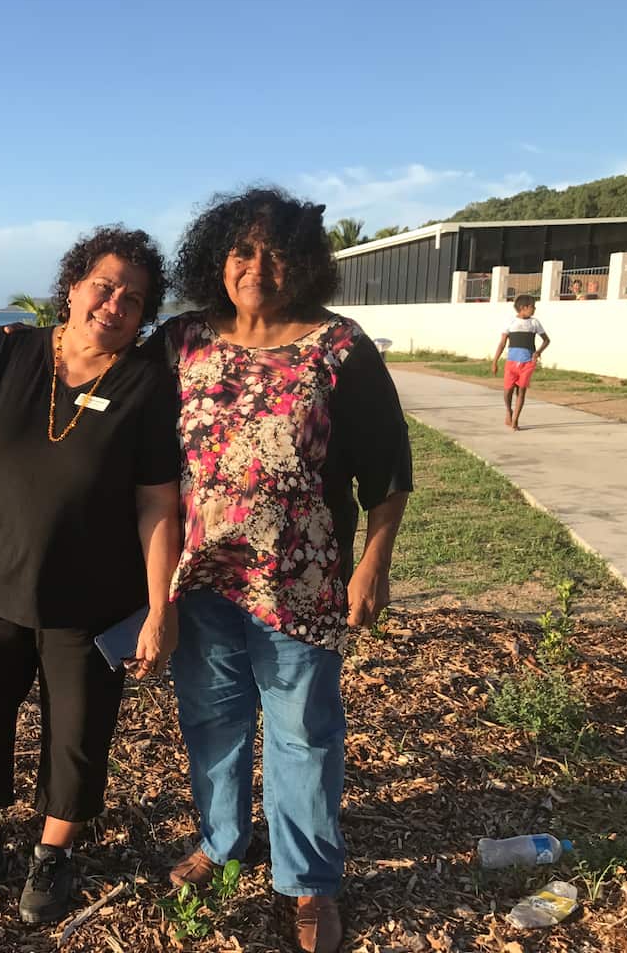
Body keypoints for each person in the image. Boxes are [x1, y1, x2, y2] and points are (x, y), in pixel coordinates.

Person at [163, 188, 412, 953]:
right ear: (217, 260)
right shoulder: (180, 342)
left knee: (304, 732)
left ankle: (308, 881)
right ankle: (224, 839)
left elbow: (389, 467)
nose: (257, 267)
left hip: (301, 582)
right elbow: (101, 388)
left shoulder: (341, 348)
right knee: (213, 720)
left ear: (305, 264)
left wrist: (374, 563)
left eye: (277, 252)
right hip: (199, 576)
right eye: (242, 250)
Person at [0, 226, 182, 925]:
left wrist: (160, 606)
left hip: (91, 603)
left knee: (80, 735)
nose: (116, 303)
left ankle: (52, 856)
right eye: (105, 285)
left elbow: (158, 501)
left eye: (134, 297)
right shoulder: (8, 352)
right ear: (73, 286)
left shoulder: (146, 384)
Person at [490, 294, 550, 431]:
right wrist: (494, 362)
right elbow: (502, 343)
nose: (534, 309)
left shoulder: (535, 323)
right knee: (507, 391)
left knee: (521, 391)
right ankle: (508, 410)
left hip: (528, 362)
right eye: (532, 307)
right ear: (523, 308)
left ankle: (515, 420)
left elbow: (546, 340)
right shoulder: (510, 322)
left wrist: (538, 351)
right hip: (512, 362)